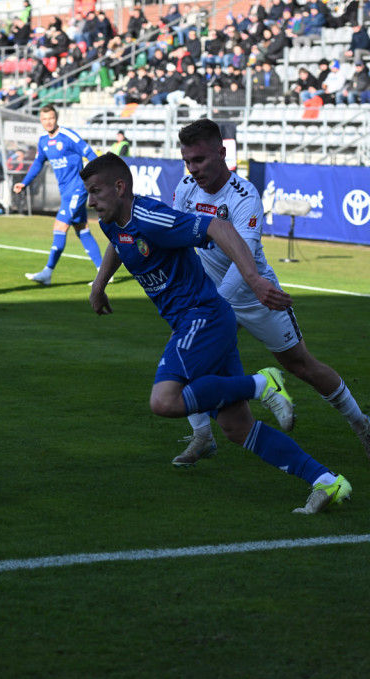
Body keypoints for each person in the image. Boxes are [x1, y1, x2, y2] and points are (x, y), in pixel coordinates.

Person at [83, 152, 353, 514]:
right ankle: (327, 482)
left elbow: (219, 228)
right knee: (238, 428)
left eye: (96, 192)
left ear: (120, 187)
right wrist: (99, 285)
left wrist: (254, 279)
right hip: (204, 322)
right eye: (88, 193)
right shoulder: (112, 221)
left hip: (203, 318)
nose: (91, 201)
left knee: (164, 400)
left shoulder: (151, 216)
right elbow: (120, 243)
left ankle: (261, 383)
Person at [170, 119, 370, 468]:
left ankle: (362, 424)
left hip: (256, 295)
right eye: (188, 161)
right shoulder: (185, 189)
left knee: (301, 366)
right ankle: (203, 436)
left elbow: (244, 260)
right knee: (188, 360)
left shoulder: (245, 196)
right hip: (213, 298)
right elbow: (177, 238)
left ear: (222, 153)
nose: (193, 169)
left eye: (200, 160)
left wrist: (215, 304)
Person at [12, 105, 103, 286]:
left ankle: (48, 272)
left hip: (78, 189)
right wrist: (24, 183)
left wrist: (98, 178)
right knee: (82, 229)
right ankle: (103, 273)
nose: (48, 122)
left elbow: (90, 154)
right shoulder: (43, 141)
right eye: (45, 119)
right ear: (41, 120)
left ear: (57, 118)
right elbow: (38, 164)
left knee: (60, 226)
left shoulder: (68, 136)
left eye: (51, 118)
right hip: (66, 192)